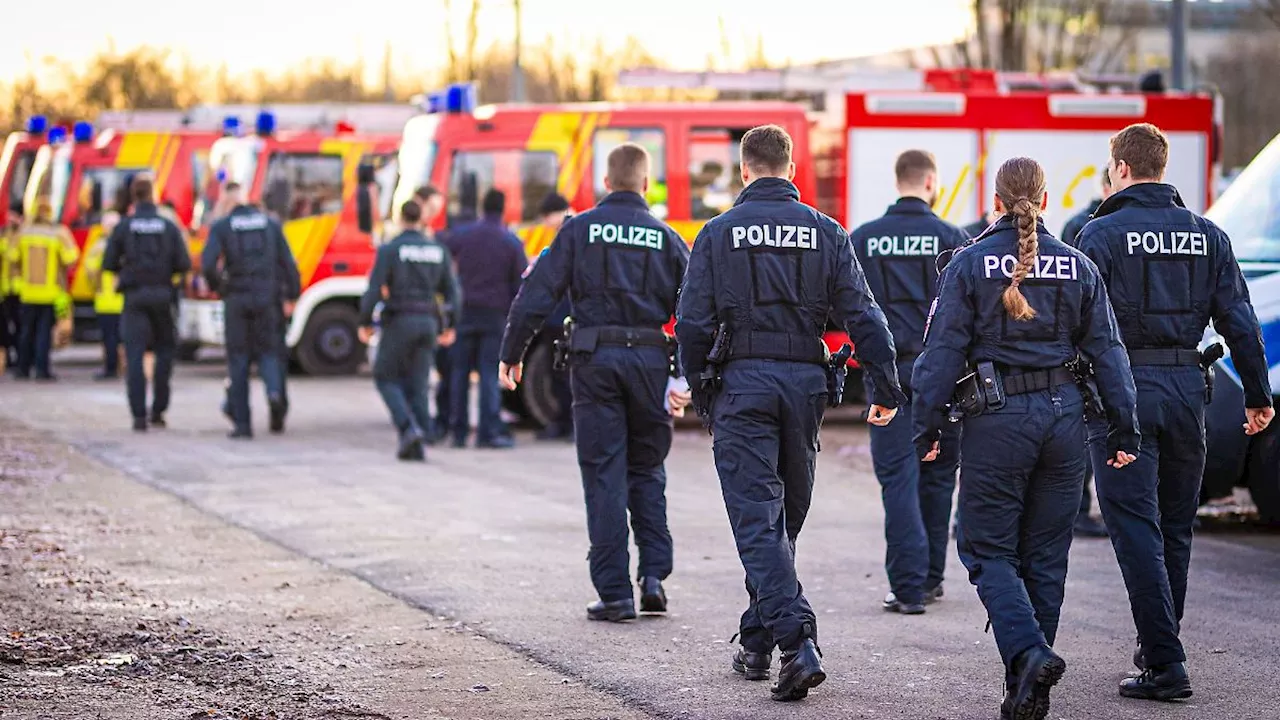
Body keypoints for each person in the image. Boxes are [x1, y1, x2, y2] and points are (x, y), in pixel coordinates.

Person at [676, 125, 905, 702]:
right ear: (792, 169)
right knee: (781, 519)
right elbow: (865, 316)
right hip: (804, 386)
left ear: (743, 170)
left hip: (743, 384)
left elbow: (694, 323)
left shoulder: (718, 232)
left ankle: (796, 641)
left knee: (760, 519)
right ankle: (757, 640)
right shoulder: (826, 232)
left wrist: (704, 389)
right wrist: (884, 386)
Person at [912, 156, 1139, 720]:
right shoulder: (1081, 267)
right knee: (1044, 555)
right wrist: (1123, 426)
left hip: (997, 420)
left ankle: (1030, 654)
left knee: (985, 546)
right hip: (1065, 423)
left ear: (995, 201)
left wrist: (927, 424)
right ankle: (1025, 683)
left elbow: (940, 354)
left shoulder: (966, 266)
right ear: (1045, 200)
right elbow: (1109, 353)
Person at [1076, 123, 1274, 701]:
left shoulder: (1100, 235)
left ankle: (1164, 661)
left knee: (1134, 525)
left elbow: (1079, 328)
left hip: (1123, 394)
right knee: (1174, 527)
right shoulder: (1208, 235)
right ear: (1163, 168)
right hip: (1191, 391)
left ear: (1120, 169)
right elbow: (1241, 321)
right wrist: (1260, 397)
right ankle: (1158, 642)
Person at [499, 143, 689, 624]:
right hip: (650, 361)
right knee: (647, 468)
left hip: (595, 361)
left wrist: (512, 352)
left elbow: (536, 292)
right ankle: (654, 578)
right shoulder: (667, 238)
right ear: (646, 185)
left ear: (606, 183)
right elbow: (695, 312)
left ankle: (615, 594)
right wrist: (687, 375)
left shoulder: (578, 230)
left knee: (604, 472)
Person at [850, 149, 968, 615]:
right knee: (938, 479)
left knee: (898, 479)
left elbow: (851, 309)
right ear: (931, 182)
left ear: (897, 180)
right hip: (942, 376)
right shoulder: (953, 238)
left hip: (889, 376)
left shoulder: (864, 239)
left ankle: (907, 586)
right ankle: (931, 578)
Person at [359, 199, 459, 460]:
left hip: (400, 320)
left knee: (384, 376)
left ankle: (407, 428)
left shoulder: (390, 249)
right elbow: (453, 292)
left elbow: (373, 289)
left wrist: (364, 322)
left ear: (401, 219)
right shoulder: (438, 250)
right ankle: (420, 435)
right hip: (428, 323)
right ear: (421, 220)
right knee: (419, 383)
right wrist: (451, 325)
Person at [203, 182, 300, 439]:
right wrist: (292, 295)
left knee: (238, 360)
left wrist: (220, 287)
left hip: (236, 298)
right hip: (267, 298)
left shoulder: (222, 226)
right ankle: (274, 393)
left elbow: (207, 264)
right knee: (269, 353)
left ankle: (243, 425)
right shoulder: (270, 224)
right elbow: (288, 263)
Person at [102, 176, 192, 431]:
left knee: (134, 355)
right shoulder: (168, 226)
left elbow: (108, 263)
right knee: (164, 353)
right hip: (163, 296)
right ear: (152, 195)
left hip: (134, 297)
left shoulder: (124, 226)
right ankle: (159, 410)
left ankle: (138, 416)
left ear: (133, 196)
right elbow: (183, 263)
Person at [443, 189, 527, 448]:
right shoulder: (511, 241)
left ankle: (457, 432)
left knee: (460, 373)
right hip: (495, 316)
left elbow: (443, 252)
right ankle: (487, 433)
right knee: (490, 375)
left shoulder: (463, 235)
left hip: (464, 311)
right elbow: (520, 283)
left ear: (482, 206)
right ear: (503, 209)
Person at [1060, 162, 1116, 538]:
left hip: (1087, 344)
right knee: (1087, 432)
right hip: (1094, 345)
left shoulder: (1080, 225)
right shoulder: (1089, 226)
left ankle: (1084, 508)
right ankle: (1079, 509)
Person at [13, 198, 78, 381]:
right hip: (50, 292)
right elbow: (70, 257)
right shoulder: (58, 233)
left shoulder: (24, 232)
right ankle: (42, 370)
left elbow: (12, 256)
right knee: (43, 333)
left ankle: (23, 368)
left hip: (27, 292)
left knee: (26, 331)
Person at [409, 185, 454, 445]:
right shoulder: (425, 237)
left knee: (436, 372)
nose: (436, 211)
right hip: (430, 314)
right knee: (423, 373)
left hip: (434, 314)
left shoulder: (435, 236)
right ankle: (424, 424)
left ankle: (427, 424)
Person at [531, 192, 575, 442]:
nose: (546, 222)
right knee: (557, 371)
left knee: (565, 373)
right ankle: (562, 422)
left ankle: (569, 424)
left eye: (548, 217)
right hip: (557, 316)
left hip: (565, 317)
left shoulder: (573, 234)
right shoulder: (565, 235)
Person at [85, 205, 126, 380]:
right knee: (125, 339)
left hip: (105, 300)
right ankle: (126, 368)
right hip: (124, 299)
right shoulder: (128, 245)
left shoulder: (99, 246)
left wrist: (96, 286)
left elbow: (90, 270)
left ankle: (110, 369)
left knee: (109, 338)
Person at [1, 205, 23, 371]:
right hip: (5, 289)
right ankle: (9, 358)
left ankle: (22, 357)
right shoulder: (4, 234)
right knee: (5, 327)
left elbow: (15, 256)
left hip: (21, 289)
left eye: (13, 216)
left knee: (20, 326)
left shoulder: (24, 235)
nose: (9, 220)